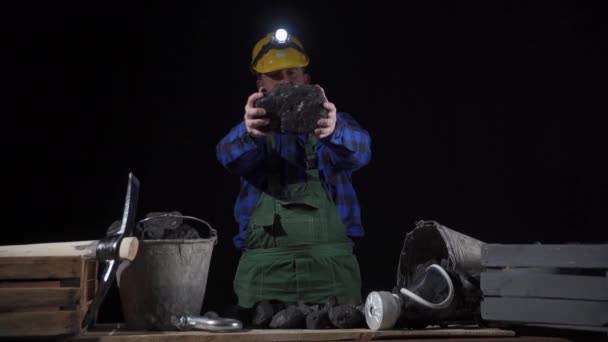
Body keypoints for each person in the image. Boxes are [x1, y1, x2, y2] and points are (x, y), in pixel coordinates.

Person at [216, 29, 371, 309]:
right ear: (260, 85)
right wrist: (249, 132)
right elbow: (227, 155)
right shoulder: (252, 135)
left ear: (307, 79)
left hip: (332, 274)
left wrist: (334, 130)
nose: (286, 82)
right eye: (275, 75)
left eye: (292, 73)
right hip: (265, 277)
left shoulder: (336, 127)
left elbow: (361, 152)